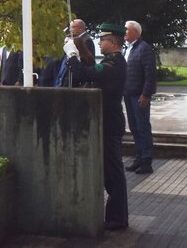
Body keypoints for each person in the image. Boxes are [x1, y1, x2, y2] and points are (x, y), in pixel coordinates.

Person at [65, 22, 129, 231]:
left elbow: (84, 74)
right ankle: (114, 216)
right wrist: (80, 50)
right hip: (108, 120)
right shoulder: (112, 62)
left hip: (109, 122)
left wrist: (72, 56)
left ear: (112, 42)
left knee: (113, 172)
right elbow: (92, 67)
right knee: (110, 171)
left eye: (103, 39)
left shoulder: (114, 64)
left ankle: (118, 218)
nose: (100, 42)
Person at [124, 20, 157, 175]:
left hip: (139, 95)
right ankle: (139, 157)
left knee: (143, 128)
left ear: (136, 32)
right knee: (134, 128)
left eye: (127, 30)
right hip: (128, 94)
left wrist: (146, 94)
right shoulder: (129, 48)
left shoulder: (144, 49)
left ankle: (146, 160)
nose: (124, 33)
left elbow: (150, 74)